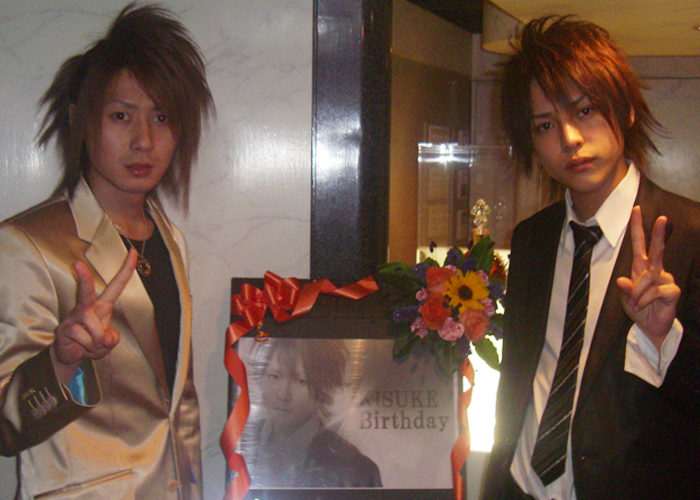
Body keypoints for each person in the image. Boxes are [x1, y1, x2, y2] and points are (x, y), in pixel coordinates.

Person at [0, 3, 213, 499]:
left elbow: (177, 406)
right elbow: (5, 427)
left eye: (162, 117)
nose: (144, 140)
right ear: (81, 118)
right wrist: (61, 362)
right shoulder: (28, 244)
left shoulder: (168, 238)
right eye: (121, 116)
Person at [482, 15, 700, 500]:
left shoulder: (689, 238)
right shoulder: (532, 239)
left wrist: (662, 339)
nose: (570, 138)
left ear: (626, 109)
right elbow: (520, 381)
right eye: (545, 125)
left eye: (584, 110)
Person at [244, 339, 382, 488]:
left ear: (324, 386)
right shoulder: (239, 441)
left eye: (300, 381)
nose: (283, 394)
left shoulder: (355, 469)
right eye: (274, 376)